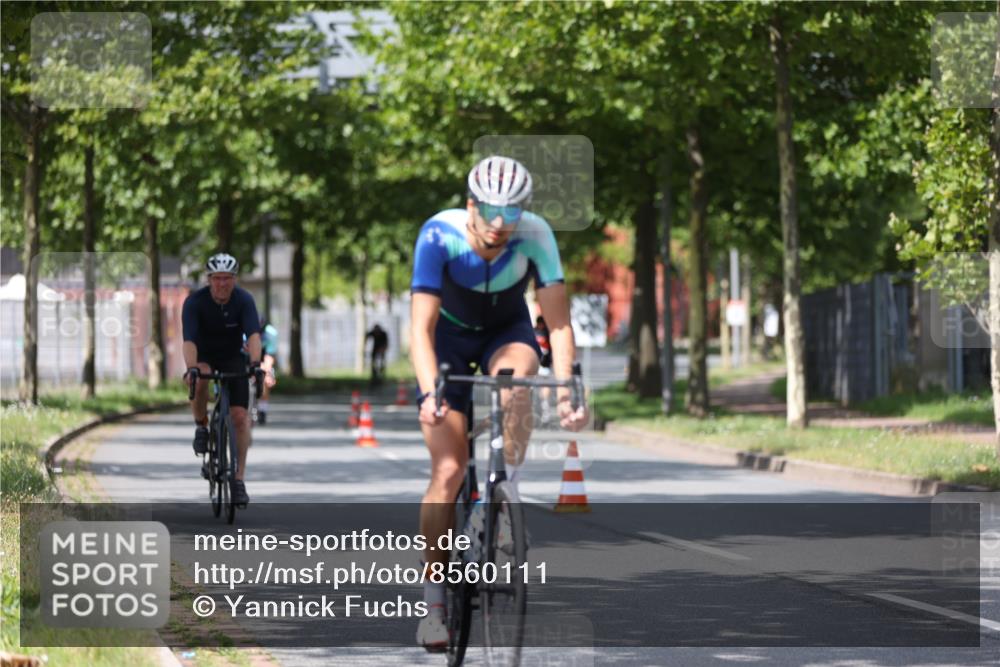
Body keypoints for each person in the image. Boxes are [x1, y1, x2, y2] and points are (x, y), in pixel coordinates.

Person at [409, 155, 588, 650]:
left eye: (512, 212)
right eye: (490, 210)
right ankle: (434, 606)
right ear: (471, 205)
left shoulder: (536, 236)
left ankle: (501, 495)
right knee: (448, 469)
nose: (499, 223)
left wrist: (569, 387)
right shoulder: (438, 235)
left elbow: (558, 325)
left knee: (518, 381)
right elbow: (420, 328)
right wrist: (429, 393)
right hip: (447, 341)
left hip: (506, 334)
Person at [182, 253, 262, 507]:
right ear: (209, 280)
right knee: (200, 378)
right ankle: (201, 426)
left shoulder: (244, 300)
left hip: (232, 357)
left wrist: (256, 364)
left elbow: (254, 335)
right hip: (203, 355)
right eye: (217, 279)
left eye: (227, 278)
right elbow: (189, 341)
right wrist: (191, 368)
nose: (222, 284)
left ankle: (238, 480)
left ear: (234, 280)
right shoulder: (195, 302)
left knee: (240, 418)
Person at [256, 320, 279, 425]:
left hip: (266, 354)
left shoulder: (271, 333)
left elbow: (271, 353)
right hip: (249, 352)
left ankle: (263, 410)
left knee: (266, 378)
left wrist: (267, 368)